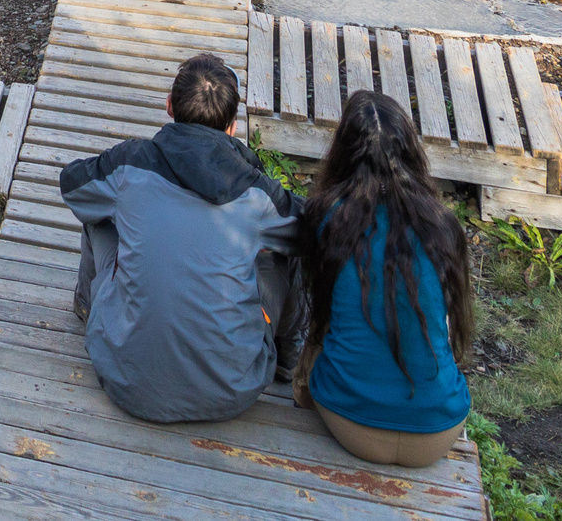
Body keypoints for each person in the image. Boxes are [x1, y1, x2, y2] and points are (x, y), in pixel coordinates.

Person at [60, 53, 302, 424]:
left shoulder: (130, 163)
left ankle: (87, 308)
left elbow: (72, 185)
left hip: (125, 378)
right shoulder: (258, 193)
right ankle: (288, 360)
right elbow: (314, 228)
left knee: (100, 212)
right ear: (233, 127)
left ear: (169, 106)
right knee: (286, 249)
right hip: (233, 389)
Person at [295, 89, 474, 467]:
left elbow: (320, 318)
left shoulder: (327, 216)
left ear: (341, 151)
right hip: (438, 431)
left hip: (351, 422)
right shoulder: (443, 226)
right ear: (411, 151)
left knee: (318, 336)